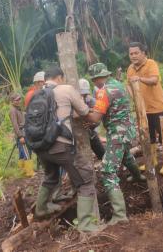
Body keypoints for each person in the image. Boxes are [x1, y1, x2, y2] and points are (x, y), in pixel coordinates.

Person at [34, 66, 104, 233]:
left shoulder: (37, 94)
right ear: (60, 77)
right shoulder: (66, 88)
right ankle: (87, 226)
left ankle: (40, 209)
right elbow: (84, 111)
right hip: (60, 146)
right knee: (85, 180)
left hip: (40, 147)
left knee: (51, 176)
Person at [87, 63, 144, 225]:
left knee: (107, 170)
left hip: (117, 133)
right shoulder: (117, 84)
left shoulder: (104, 92)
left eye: (94, 79)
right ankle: (138, 176)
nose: (94, 83)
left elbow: (95, 118)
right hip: (127, 130)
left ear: (98, 77)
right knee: (126, 155)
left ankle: (120, 215)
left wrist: (82, 114)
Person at [127, 42, 163, 175]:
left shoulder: (151, 64)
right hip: (142, 111)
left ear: (143, 53)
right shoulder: (130, 68)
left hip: (157, 108)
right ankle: (152, 161)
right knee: (148, 136)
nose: (133, 56)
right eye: (131, 53)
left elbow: (154, 80)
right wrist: (134, 97)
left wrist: (139, 79)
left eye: (136, 53)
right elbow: (129, 84)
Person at [79, 78, 105, 160]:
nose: (83, 96)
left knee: (102, 154)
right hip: (77, 135)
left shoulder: (91, 100)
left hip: (90, 132)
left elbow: (98, 119)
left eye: (85, 94)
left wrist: (92, 124)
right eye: (81, 94)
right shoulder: (72, 100)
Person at [9, 93, 34, 177]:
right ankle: (30, 172)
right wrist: (20, 136)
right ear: (12, 101)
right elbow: (15, 125)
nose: (19, 101)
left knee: (22, 153)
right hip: (21, 134)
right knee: (27, 153)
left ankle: (22, 171)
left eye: (20, 99)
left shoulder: (18, 109)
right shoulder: (13, 110)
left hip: (23, 132)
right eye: (17, 100)